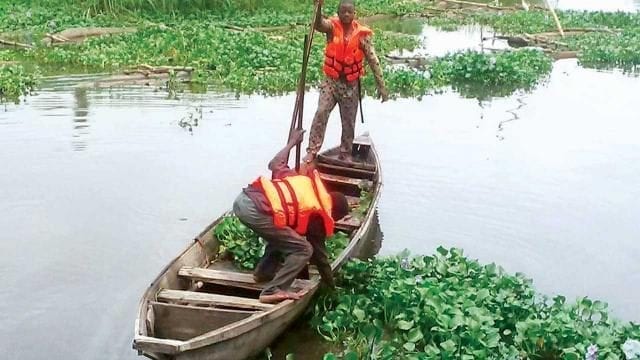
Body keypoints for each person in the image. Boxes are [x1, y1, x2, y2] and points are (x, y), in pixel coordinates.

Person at [233, 129, 350, 304]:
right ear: (334, 213)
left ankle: (263, 273)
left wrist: (292, 142)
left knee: (285, 234)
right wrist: (331, 288)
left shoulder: (302, 183)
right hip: (256, 211)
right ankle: (273, 290)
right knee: (303, 249)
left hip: (243, 200)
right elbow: (320, 257)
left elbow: (275, 164)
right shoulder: (318, 213)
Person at [303, 0, 389, 165]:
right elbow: (318, 24)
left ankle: (345, 152)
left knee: (348, 121)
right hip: (331, 82)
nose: (346, 15)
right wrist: (318, 6)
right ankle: (312, 151)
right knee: (321, 112)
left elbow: (373, 60)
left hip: (350, 85)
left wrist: (382, 86)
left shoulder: (362, 36)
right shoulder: (332, 27)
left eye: (350, 12)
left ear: (354, 14)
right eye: (343, 11)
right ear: (338, 12)